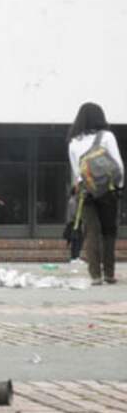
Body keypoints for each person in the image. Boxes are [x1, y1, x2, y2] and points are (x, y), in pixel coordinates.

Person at [67, 102, 124, 285]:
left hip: (86, 192)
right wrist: (119, 187)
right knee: (108, 232)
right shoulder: (107, 136)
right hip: (107, 191)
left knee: (91, 232)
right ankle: (109, 274)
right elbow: (119, 166)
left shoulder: (73, 142)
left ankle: (95, 276)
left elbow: (78, 174)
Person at [63, 186, 84, 264]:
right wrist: (81, 217)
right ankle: (74, 257)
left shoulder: (75, 200)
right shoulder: (72, 201)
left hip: (76, 223)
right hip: (74, 223)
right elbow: (74, 213)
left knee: (78, 240)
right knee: (76, 240)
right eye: (78, 191)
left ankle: (76, 257)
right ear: (75, 192)